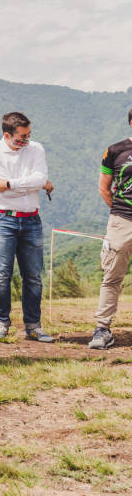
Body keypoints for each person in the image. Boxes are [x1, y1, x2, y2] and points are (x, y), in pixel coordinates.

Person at [0, 112, 55, 343]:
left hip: (31, 219)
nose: (26, 141)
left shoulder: (36, 149)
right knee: (1, 274)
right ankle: (1, 323)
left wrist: (11, 184)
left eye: (28, 135)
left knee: (33, 276)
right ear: (7, 135)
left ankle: (33, 326)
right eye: (22, 137)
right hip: (1, 218)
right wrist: (31, 184)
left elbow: (40, 178)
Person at [90, 109, 132, 349]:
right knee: (112, 276)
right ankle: (102, 329)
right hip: (122, 221)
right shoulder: (115, 151)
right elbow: (104, 188)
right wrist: (119, 212)